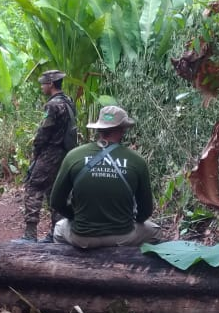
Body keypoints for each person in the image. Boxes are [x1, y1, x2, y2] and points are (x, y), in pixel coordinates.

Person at [49, 105, 161, 248]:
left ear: (98, 129)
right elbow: (145, 211)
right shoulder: (137, 161)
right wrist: (128, 220)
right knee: (155, 232)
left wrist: (75, 217)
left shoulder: (73, 156)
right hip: (123, 236)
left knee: (59, 228)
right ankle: (130, 264)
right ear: (122, 130)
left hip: (82, 237)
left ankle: (68, 264)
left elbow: (56, 201)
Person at [15, 69, 78, 243]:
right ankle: (55, 233)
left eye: (43, 83)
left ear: (50, 84)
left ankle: (29, 235)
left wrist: (36, 149)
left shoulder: (52, 105)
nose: (42, 87)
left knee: (33, 187)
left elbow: (45, 130)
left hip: (50, 153)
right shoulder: (68, 101)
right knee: (55, 192)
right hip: (65, 153)